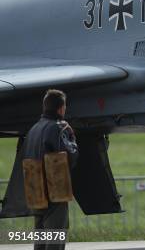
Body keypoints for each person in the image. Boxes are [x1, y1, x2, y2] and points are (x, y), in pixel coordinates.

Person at [23, 89, 78, 250]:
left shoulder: (34, 129)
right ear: (61, 108)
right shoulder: (58, 128)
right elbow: (70, 156)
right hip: (54, 195)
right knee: (55, 242)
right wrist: (72, 136)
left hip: (36, 194)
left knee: (40, 243)